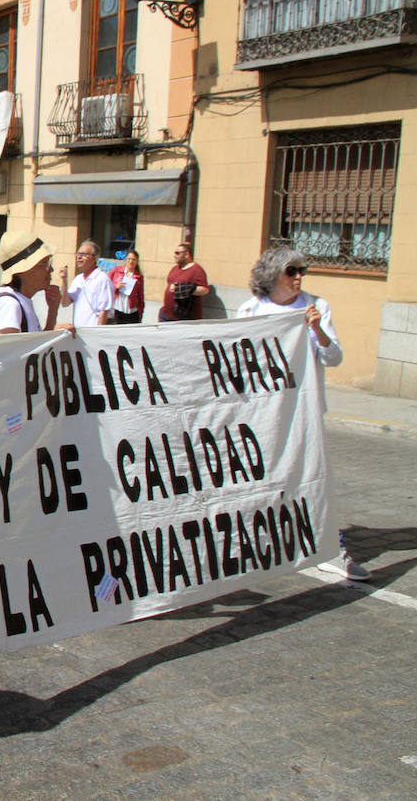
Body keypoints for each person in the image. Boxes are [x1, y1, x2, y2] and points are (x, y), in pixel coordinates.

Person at [236, 249, 367, 582]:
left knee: (313, 477)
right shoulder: (251, 311)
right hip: (262, 413)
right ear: (270, 275)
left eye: (301, 270)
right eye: (291, 270)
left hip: (303, 412)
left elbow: (333, 357)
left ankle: (330, 548)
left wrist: (317, 330)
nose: (299, 277)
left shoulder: (315, 307)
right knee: (259, 478)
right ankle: (259, 540)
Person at [0, 231, 69, 336]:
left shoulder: (20, 300)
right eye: (43, 264)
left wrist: (52, 312)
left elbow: (34, 347)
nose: (51, 269)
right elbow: (1, 349)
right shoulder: (9, 304)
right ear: (22, 271)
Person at [59, 238, 113, 327]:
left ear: (95, 258)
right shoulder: (78, 279)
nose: (79, 257)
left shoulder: (102, 279)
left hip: (93, 332)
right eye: (78, 254)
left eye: (83, 254)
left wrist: (97, 333)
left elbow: (104, 311)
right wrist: (64, 280)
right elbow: (65, 303)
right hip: (79, 331)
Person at [161, 242, 209, 321]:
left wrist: (185, 289)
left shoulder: (196, 270)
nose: (174, 255)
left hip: (183, 318)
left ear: (186, 254)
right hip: (166, 314)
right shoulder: (175, 268)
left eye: (177, 253)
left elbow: (205, 290)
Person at [108, 251, 145, 324]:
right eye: (129, 259)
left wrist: (140, 313)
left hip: (131, 311)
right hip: (117, 309)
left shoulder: (139, 277)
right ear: (126, 260)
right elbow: (106, 287)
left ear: (137, 261)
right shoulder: (116, 271)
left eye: (133, 259)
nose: (131, 261)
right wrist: (116, 286)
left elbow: (141, 297)